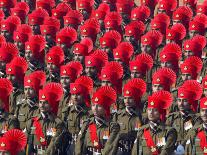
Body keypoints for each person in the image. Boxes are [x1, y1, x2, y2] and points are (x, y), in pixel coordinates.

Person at [26, 83, 70, 155]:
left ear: (51, 104)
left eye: (45, 102)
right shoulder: (32, 121)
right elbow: (26, 143)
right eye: (40, 102)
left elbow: (54, 145)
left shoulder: (58, 123)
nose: (42, 105)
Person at [75, 86, 119, 155]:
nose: (95, 108)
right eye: (93, 105)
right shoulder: (87, 123)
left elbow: (110, 148)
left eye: (99, 106)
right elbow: (79, 143)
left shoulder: (113, 126)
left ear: (105, 108)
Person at [132, 90, 177, 155]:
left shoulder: (169, 131)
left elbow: (166, 151)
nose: (151, 112)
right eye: (149, 109)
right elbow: (135, 151)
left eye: (155, 110)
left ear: (160, 112)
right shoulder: (142, 130)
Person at [111, 78, 146, 155]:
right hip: (120, 150)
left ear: (136, 98)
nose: (127, 101)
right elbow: (112, 136)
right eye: (125, 98)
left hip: (136, 150)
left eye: (130, 98)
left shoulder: (142, 116)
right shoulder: (118, 115)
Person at [166, 80, 203, 154]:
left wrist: (182, 146)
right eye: (179, 100)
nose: (181, 104)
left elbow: (193, 133)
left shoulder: (197, 118)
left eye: (184, 101)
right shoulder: (172, 118)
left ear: (190, 102)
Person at [62, 76, 93, 154]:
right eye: (73, 94)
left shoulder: (90, 113)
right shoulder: (67, 111)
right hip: (70, 146)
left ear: (84, 95)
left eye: (78, 94)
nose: (75, 97)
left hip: (84, 147)